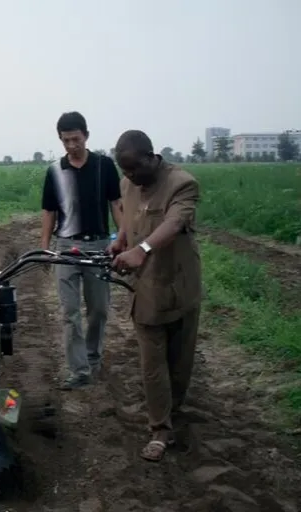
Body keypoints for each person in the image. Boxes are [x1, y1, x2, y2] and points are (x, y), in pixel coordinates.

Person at [108, 129, 202, 462]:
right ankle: (160, 429)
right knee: (152, 363)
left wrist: (142, 249)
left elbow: (175, 223)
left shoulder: (182, 183)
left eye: (135, 168)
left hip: (180, 285)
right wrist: (121, 239)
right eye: (125, 171)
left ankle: (174, 407)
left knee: (180, 362)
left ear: (152, 156)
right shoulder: (127, 183)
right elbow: (131, 216)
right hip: (147, 286)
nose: (130, 176)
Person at [41, 111, 123, 390]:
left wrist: (122, 237)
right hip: (65, 246)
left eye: (76, 139)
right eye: (66, 141)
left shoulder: (104, 166)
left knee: (98, 309)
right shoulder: (54, 171)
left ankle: (92, 357)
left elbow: (116, 204)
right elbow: (48, 212)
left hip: (98, 245)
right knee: (69, 311)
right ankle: (78, 370)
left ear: (86, 136)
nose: (71, 146)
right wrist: (44, 248)